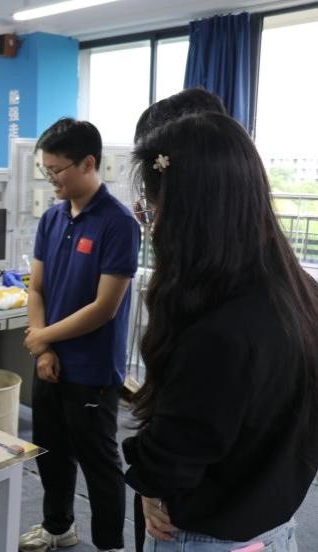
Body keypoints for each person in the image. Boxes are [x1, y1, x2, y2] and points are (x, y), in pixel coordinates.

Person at [123, 112, 318, 551]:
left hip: (204, 537)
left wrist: (150, 484)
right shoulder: (302, 292)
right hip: (274, 529)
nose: (152, 227)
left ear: (187, 216)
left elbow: (176, 454)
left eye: (153, 211)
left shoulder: (221, 332)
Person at [20, 118, 140, 552]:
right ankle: (58, 528)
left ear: (89, 163)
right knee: (50, 451)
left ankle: (108, 544)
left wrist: (42, 337)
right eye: (46, 170)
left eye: (57, 170)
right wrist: (44, 349)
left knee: (98, 461)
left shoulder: (118, 223)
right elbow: (36, 288)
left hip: (92, 368)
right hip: (50, 361)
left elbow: (104, 308)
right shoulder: (52, 218)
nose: (50, 179)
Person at [129, 86, 228, 552]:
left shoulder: (217, 314)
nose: (146, 216)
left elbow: (191, 425)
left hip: (195, 523)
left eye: (151, 200)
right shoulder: (288, 284)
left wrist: (154, 482)